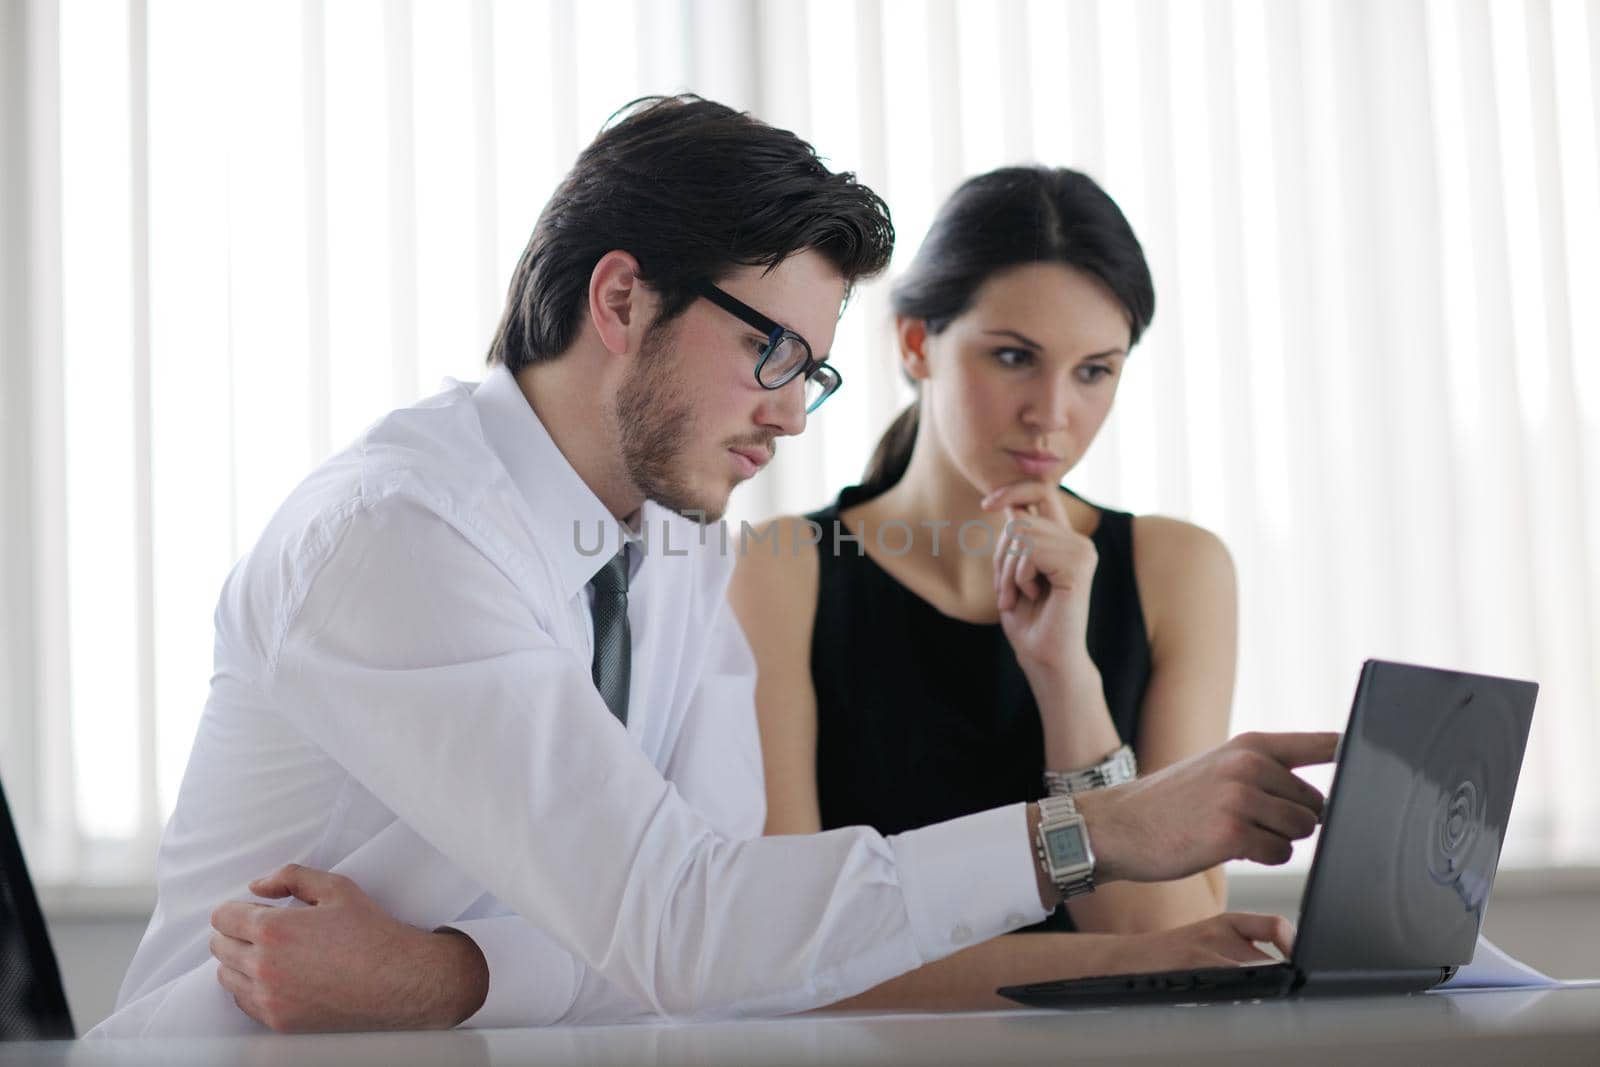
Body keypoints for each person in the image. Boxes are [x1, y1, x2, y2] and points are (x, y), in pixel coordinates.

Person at [90, 96, 1334, 1037]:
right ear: (622, 299)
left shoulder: (676, 542)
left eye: (815, 372)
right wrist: (1094, 829)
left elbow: (732, 924)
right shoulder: (400, 535)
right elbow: (687, 927)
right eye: (773, 356)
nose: (794, 421)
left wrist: (448, 972)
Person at [729, 167, 1252, 1011]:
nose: (1052, 412)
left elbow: (1167, 930)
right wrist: (1110, 965)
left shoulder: (1177, 569)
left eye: (1095, 371)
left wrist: (1067, 681)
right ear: (914, 343)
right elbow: (790, 952)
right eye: (1014, 357)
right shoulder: (783, 567)